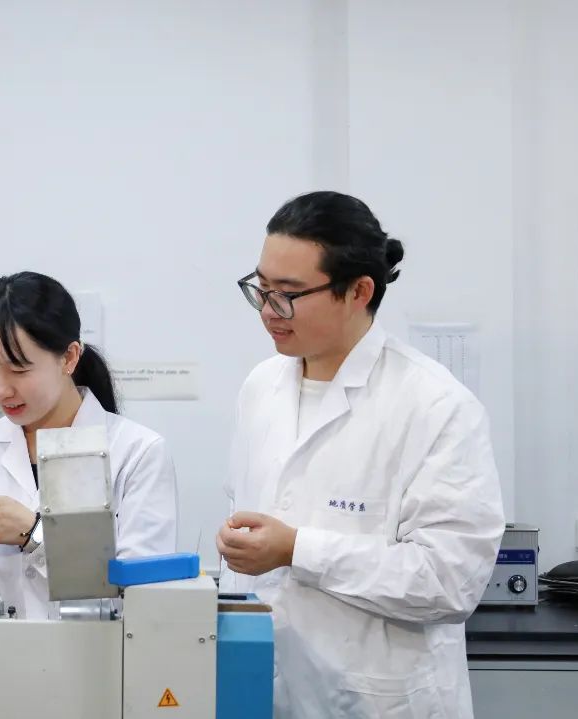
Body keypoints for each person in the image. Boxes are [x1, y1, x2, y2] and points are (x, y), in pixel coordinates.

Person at [217, 191, 504, 717]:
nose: (268, 311)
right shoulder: (261, 387)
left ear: (358, 291)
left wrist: (297, 550)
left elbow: (449, 582)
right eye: (261, 288)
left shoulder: (435, 405)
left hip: (379, 701)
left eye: (288, 294)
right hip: (267, 691)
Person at [0, 271, 178, 619]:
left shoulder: (138, 453)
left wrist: (35, 534)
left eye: (18, 369)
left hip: (97, 654)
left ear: (69, 357)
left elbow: (142, 601)